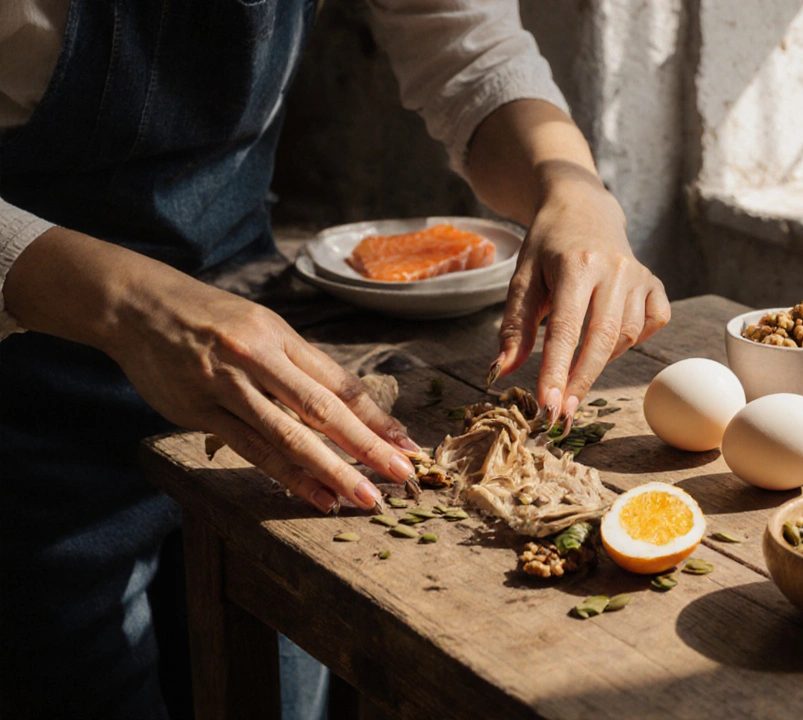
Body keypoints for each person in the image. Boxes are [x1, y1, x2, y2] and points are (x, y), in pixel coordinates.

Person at [0, 1, 670, 717]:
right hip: (24, 379)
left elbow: (467, 48)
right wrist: (131, 306)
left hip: (253, 340)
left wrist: (569, 184)